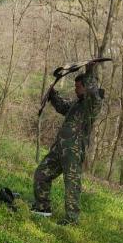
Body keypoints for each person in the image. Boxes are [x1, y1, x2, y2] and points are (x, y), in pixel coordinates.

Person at [32, 64, 103, 225]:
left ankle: (71, 219)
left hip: (73, 151)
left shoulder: (91, 106)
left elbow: (94, 93)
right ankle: (42, 208)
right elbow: (63, 107)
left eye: (78, 86)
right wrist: (53, 95)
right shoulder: (77, 104)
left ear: (86, 87)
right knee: (41, 174)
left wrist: (90, 71)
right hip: (59, 150)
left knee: (72, 185)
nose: (75, 89)